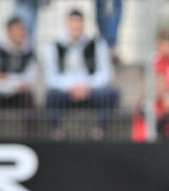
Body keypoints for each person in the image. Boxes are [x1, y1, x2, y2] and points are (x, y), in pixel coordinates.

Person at [44, 10, 119, 141]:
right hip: (65, 92)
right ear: (67, 24)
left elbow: (106, 72)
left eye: (79, 23)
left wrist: (87, 86)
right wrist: (70, 86)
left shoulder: (96, 43)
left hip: (91, 91)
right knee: (51, 96)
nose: (76, 26)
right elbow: (51, 76)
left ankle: (99, 130)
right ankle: (57, 132)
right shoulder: (55, 45)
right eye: (73, 23)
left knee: (111, 93)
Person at [0, 17, 36, 139]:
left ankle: (31, 138)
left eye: (23, 30)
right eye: (18, 30)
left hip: (17, 96)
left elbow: (30, 81)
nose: (22, 33)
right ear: (9, 32)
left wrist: (4, 78)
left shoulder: (29, 52)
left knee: (28, 97)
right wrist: (16, 84)